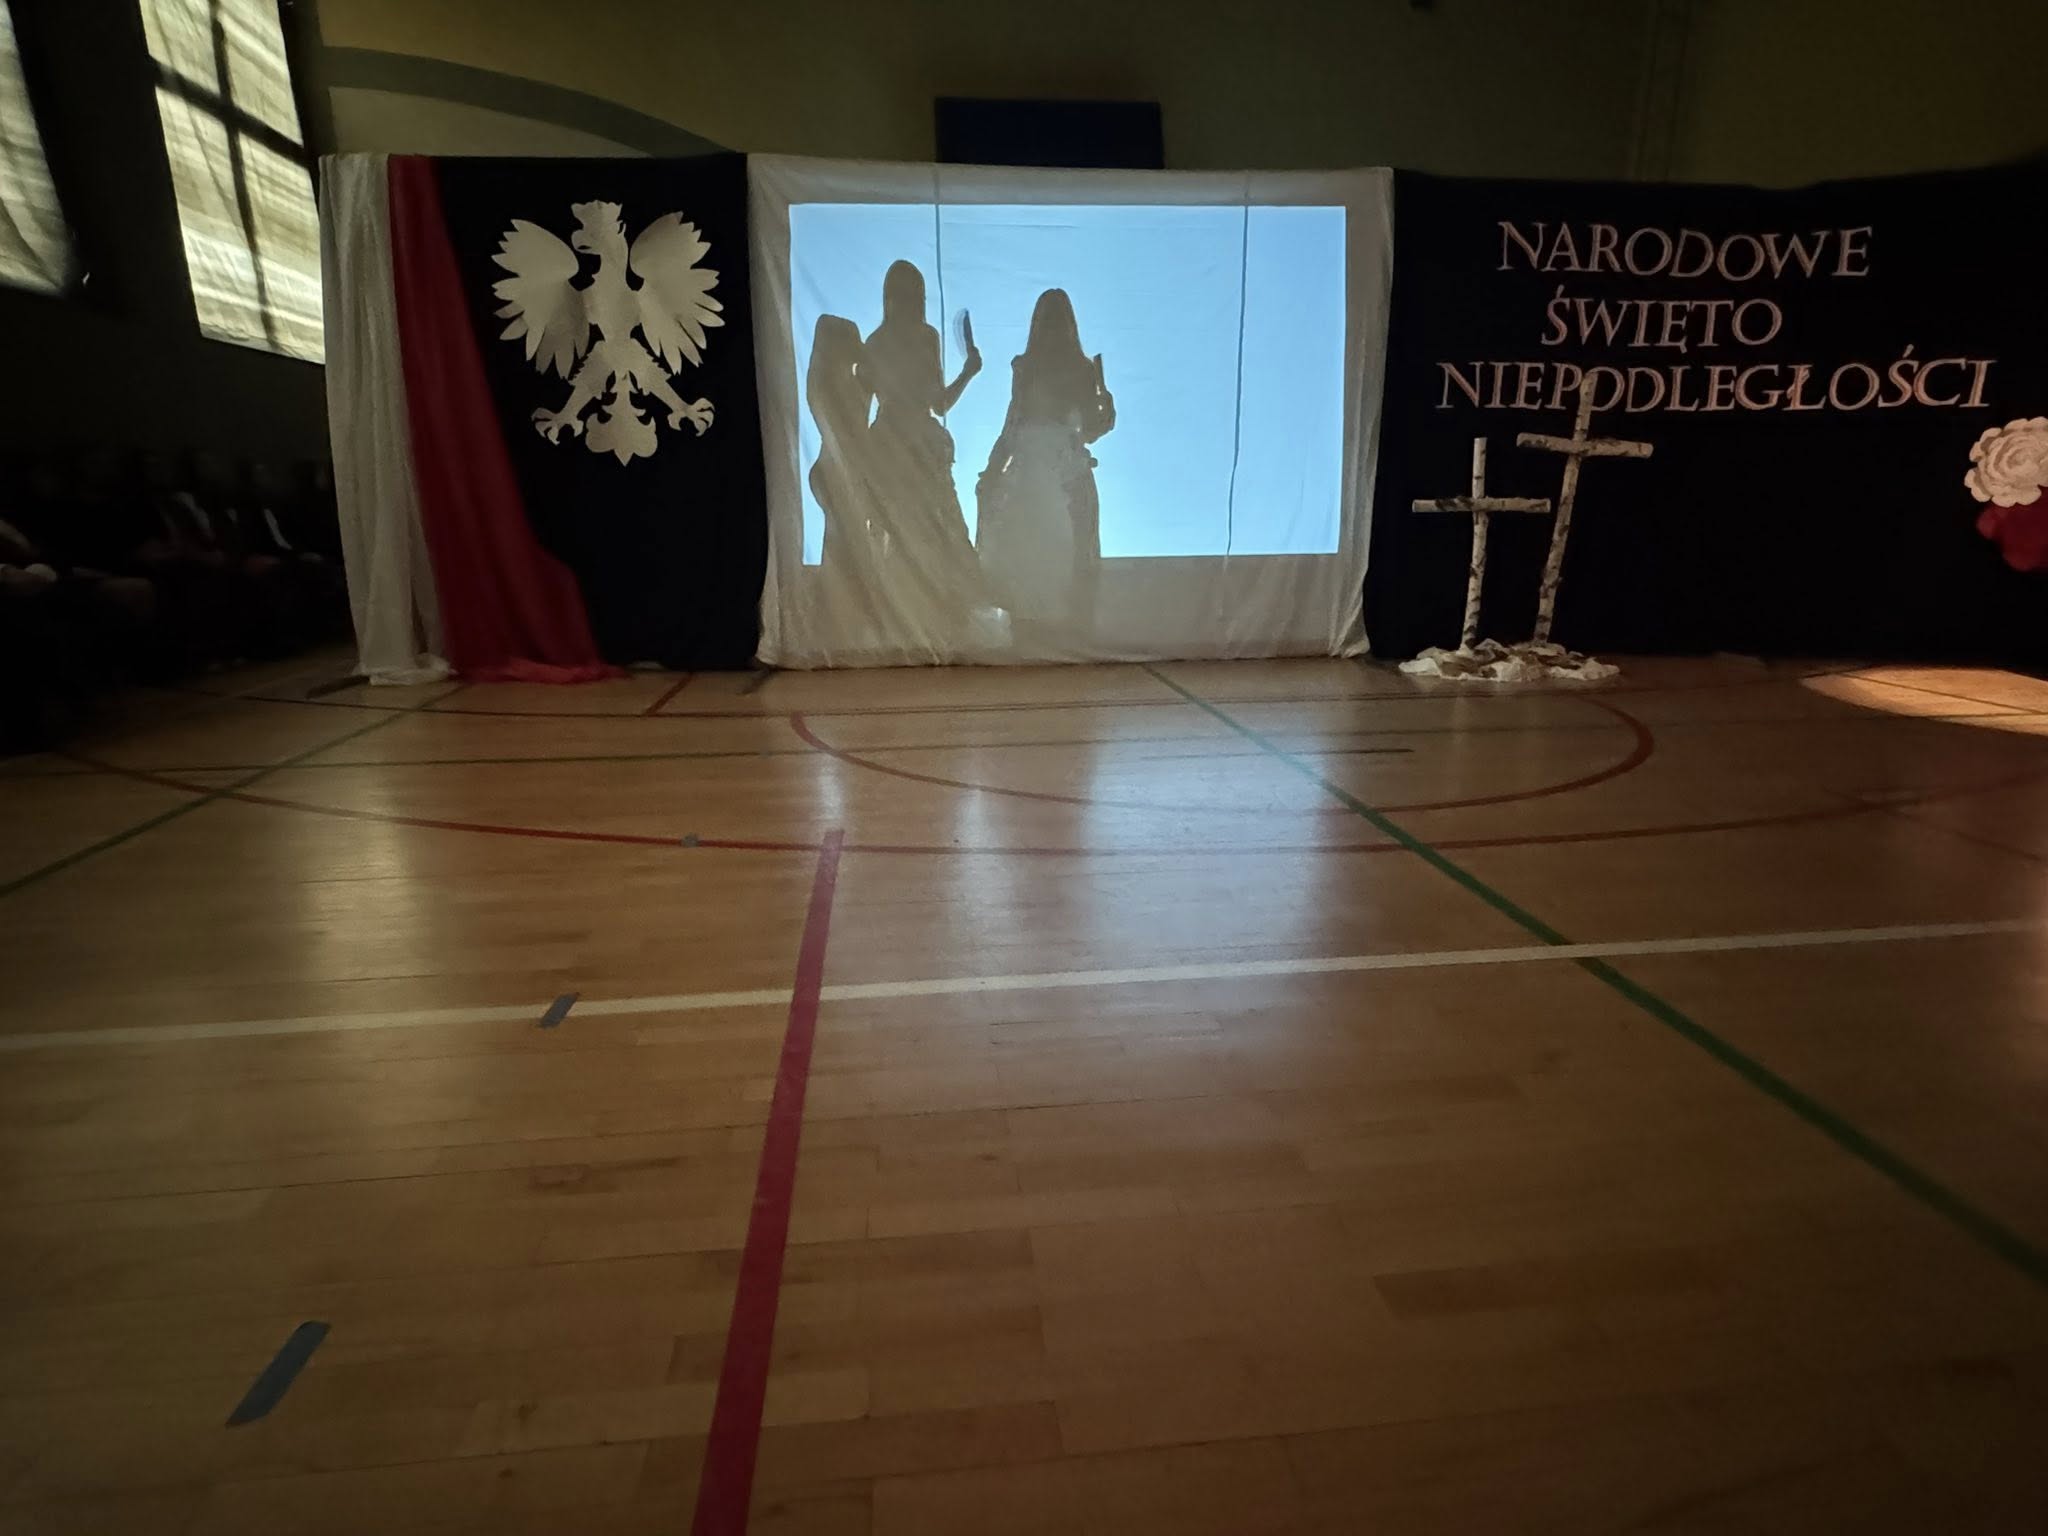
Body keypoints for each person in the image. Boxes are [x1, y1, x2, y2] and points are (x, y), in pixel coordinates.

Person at [857, 261, 990, 643]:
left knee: (902, 531)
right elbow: (940, 403)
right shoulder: (924, 336)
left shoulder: (874, 342)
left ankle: (905, 614)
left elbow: (867, 401)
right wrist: (968, 371)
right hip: (916, 446)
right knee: (937, 530)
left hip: (889, 444)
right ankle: (936, 615)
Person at [975, 288, 1115, 641]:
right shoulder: (1076, 367)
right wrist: (1107, 415)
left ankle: (1032, 632)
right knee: (1068, 553)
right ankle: (1067, 631)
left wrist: (993, 469)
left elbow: (1013, 424)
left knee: (1031, 554)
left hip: (1038, 467)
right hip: (1061, 467)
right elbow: (1090, 430)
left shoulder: (1032, 366)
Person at [805, 314, 881, 616]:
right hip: (835, 472)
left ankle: (840, 607)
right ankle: (838, 607)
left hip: (844, 472)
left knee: (846, 543)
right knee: (844, 543)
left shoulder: (845, 382)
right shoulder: (826, 385)